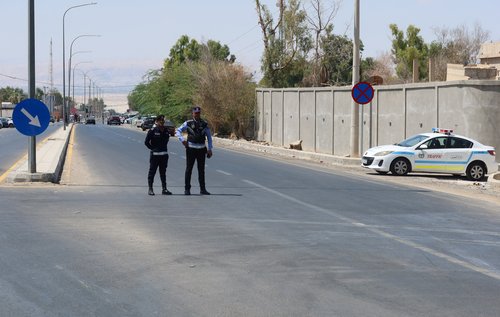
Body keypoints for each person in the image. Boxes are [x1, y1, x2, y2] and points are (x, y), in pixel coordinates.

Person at [176, 106, 213, 195]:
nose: (197, 114)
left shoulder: (204, 124)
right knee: (189, 169)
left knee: (201, 170)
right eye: (195, 113)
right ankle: (187, 189)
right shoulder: (187, 123)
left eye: (198, 113)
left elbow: (209, 137)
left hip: (201, 149)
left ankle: (203, 189)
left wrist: (210, 149)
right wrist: (182, 140)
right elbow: (178, 131)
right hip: (191, 149)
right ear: (192, 113)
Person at [144, 115, 175, 196]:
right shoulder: (152, 130)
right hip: (155, 155)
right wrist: (153, 149)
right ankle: (150, 189)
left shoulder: (166, 131)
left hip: (164, 155)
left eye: (163, 121)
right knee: (152, 172)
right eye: (160, 121)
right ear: (156, 122)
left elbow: (167, 140)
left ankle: (164, 189)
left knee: (163, 173)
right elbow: (146, 142)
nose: (162, 123)